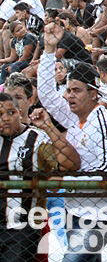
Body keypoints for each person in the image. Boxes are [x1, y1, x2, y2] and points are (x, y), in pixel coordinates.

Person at [38, 23, 107, 262]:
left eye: (76, 91)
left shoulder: (103, 122)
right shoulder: (74, 116)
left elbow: (106, 169)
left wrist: (65, 180)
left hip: (99, 214)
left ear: (93, 93)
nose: (68, 95)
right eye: (68, 90)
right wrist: (49, 50)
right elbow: (46, 94)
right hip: (73, 209)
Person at [0, 91, 80, 261]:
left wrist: (49, 128)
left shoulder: (37, 139)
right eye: (0, 115)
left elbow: (71, 164)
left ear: (20, 112)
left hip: (22, 227)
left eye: (11, 112)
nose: (6, 118)